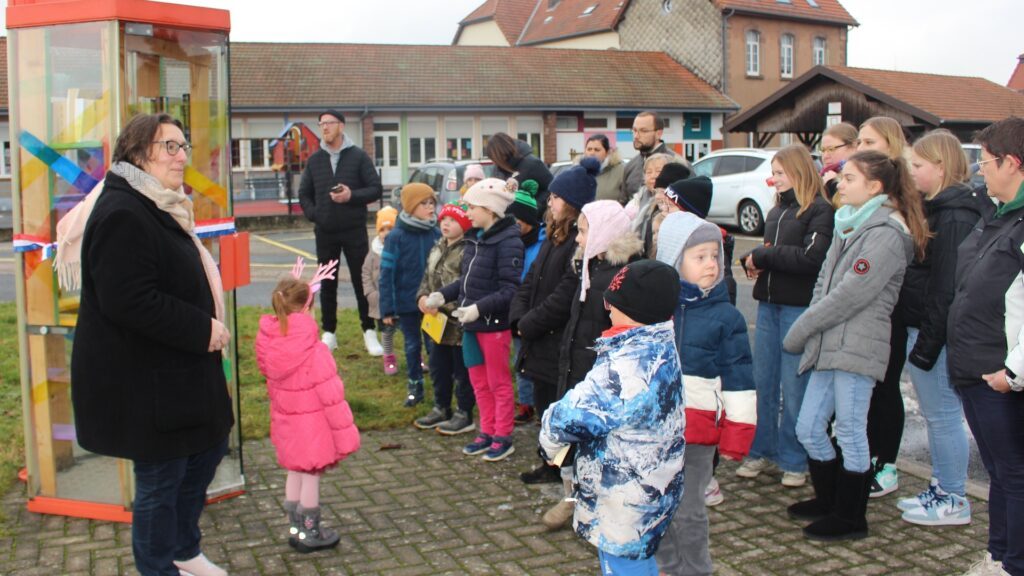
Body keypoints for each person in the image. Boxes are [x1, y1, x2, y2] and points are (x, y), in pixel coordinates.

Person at [67, 113, 234, 575]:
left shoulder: (158, 203)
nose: (181, 157)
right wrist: (203, 328)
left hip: (178, 372)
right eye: (170, 147)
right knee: (161, 482)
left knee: (208, 450)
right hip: (145, 379)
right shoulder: (123, 211)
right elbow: (130, 300)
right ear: (138, 154)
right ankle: (158, 566)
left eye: (184, 146)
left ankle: (185, 549)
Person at [784, 150, 928, 541]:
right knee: (809, 427)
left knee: (850, 431)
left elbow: (852, 293)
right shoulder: (848, 224)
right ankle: (829, 500)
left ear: (875, 187)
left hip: (859, 345)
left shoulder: (885, 234)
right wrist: (814, 321)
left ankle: (851, 516)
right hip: (830, 341)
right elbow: (823, 282)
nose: (838, 183)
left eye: (849, 179)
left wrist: (803, 326)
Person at [539, 259, 685, 576]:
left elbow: (575, 412)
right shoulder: (658, 342)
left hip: (625, 494)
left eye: (613, 301)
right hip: (652, 481)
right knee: (638, 558)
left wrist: (549, 437)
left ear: (635, 311)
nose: (606, 306)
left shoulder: (625, 367)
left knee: (622, 564)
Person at [654, 211, 756, 576]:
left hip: (698, 433)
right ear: (673, 258)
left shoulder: (727, 317)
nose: (711, 264)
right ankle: (666, 566)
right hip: (656, 430)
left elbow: (740, 377)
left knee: (690, 510)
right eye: (700, 257)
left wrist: (737, 434)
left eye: (715, 256)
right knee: (658, 504)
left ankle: (696, 569)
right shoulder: (653, 311)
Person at [947, 117, 1024, 576]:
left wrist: (1013, 372)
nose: (981, 171)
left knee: (1014, 474)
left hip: (1000, 374)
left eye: (988, 162)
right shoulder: (997, 213)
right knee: (999, 470)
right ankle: (998, 555)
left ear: (1013, 163)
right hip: (975, 366)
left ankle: (1014, 564)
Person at [736, 145, 834, 488]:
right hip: (768, 304)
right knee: (764, 382)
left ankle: (794, 458)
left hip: (797, 307)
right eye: (773, 173)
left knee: (795, 386)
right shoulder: (777, 211)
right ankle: (762, 450)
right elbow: (771, 252)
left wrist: (766, 255)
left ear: (798, 171)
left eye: (779, 173)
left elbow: (811, 258)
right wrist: (753, 258)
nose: (773, 180)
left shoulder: (820, 210)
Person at [896, 130, 979, 526]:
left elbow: (946, 288)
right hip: (925, 328)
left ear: (941, 167)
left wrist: (927, 345)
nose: (911, 173)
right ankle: (941, 485)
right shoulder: (939, 208)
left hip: (937, 334)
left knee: (944, 415)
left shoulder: (955, 215)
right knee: (936, 415)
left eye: (917, 166)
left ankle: (954, 497)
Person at [547, 200, 643, 530]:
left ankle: (598, 509)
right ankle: (573, 498)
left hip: (596, 374)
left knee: (598, 448)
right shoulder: (591, 270)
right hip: (577, 367)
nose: (577, 238)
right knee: (577, 445)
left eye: (584, 231)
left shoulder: (615, 279)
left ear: (604, 234)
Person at [255, 263, 361, 553]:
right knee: (311, 474)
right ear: (307, 309)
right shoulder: (314, 350)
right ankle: (311, 531)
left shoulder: (268, 340)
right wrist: (344, 432)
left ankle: (295, 526)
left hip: (286, 421)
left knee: (295, 470)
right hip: (313, 426)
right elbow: (331, 394)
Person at [512, 158, 598, 485]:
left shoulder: (578, 241)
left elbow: (564, 296)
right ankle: (549, 462)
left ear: (573, 204)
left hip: (556, 339)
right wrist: (519, 317)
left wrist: (528, 324)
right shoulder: (553, 236)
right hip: (536, 335)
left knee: (557, 406)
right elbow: (529, 280)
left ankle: (560, 466)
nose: (550, 202)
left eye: (556, 197)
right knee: (543, 401)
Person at [427, 177, 524, 462]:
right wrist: (441, 296)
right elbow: (465, 283)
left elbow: (510, 289)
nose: (467, 213)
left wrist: (479, 309)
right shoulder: (475, 240)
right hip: (469, 324)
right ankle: (486, 430)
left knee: (498, 382)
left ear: (490, 210)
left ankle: (503, 435)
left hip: (492, 326)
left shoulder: (509, 242)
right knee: (479, 381)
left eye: (472, 207)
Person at [853, 116, 914, 498]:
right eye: (858, 140)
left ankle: (886, 463)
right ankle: (869, 455)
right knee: (870, 388)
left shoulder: (904, 198)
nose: (861, 147)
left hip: (892, 305)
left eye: (869, 141)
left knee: (886, 385)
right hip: (868, 307)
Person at [298, 109, 383, 352]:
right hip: (325, 231)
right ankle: (329, 332)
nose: (324, 128)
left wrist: (351, 196)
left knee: (361, 280)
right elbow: (304, 194)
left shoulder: (358, 156)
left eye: (329, 123)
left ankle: (369, 331)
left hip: (353, 229)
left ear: (341, 126)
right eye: (321, 123)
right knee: (327, 281)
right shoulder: (315, 160)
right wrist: (317, 215)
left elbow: (375, 188)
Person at [414, 202, 476, 434]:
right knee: (439, 368)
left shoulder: (468, 250)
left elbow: (467, 286)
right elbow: (425, 278)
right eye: (444, 220)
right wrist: (422, 298)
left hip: (457, 325)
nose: (446, 224)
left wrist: (445, 305)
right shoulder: (437, 247)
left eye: (453, 220)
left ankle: (464, 412)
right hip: (435, 324)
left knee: (462, 371)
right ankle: (441, 407)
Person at [380, 183, 441, 407]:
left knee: (434, 345)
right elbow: (386, 274)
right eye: (424, 203)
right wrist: (387, 308)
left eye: (432, 202)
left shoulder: (436, 232)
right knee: (412, 345)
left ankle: (439, 386)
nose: (429, 207)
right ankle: (415, 385)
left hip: (432, 303)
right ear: (410, 206)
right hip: (406, 304)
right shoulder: (396, 236)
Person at [662, 175, 738, 305]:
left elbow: (726, 292)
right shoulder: (670, 240)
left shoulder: (712, 246)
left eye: (670, 206)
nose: (664, 211)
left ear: (689, 214)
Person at [507, 179, 543, 425]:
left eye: (516, 220)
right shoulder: (510, 241)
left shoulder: (542, 243)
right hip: (515, 309)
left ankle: (540, 403)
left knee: (537, 359)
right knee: (519, 359)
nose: (512, 224)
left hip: (536, 309)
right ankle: (526, 403)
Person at [362, 206, 398, 373]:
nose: (386, 233)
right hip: (381, 301)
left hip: (401, 299)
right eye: (382, 230)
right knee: (387, 332)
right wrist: (371, 293)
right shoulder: (373, 253)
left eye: (390, 229)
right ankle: (388, 358)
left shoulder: (402, 249)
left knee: (411, 332)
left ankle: (416, 357)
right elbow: (366, 274)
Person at [620, 110, 680, 204]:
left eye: (643, 131)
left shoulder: (676, 163)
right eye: (634, 130)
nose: (636, 136)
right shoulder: (630, 166)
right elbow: (624, 201)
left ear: (658, 134)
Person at [485, 133, 553, 214]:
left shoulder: (532, 163)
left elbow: (551, 188)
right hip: (509, 221)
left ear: (503, 153)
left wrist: (534, 207)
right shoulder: (497, 169)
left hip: (533, 221)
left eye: (495, 158)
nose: (494, 162)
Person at [634, 156, 688, 256]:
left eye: (663, 192)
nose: (658, 196)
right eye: (656, 192)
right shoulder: (650, 208)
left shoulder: (679, 220)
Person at [820, 122, 858, 201]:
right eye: (823, 150)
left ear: (853, 147)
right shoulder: (820, 177)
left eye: (831, 149)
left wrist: (833, 186)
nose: (825, 156)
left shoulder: (862, 176)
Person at [583, 134, 625, 202]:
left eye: (597, 150)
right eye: (589, 149)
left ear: (607, 152)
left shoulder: (621, 171)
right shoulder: (578, 171)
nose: (592, 153)